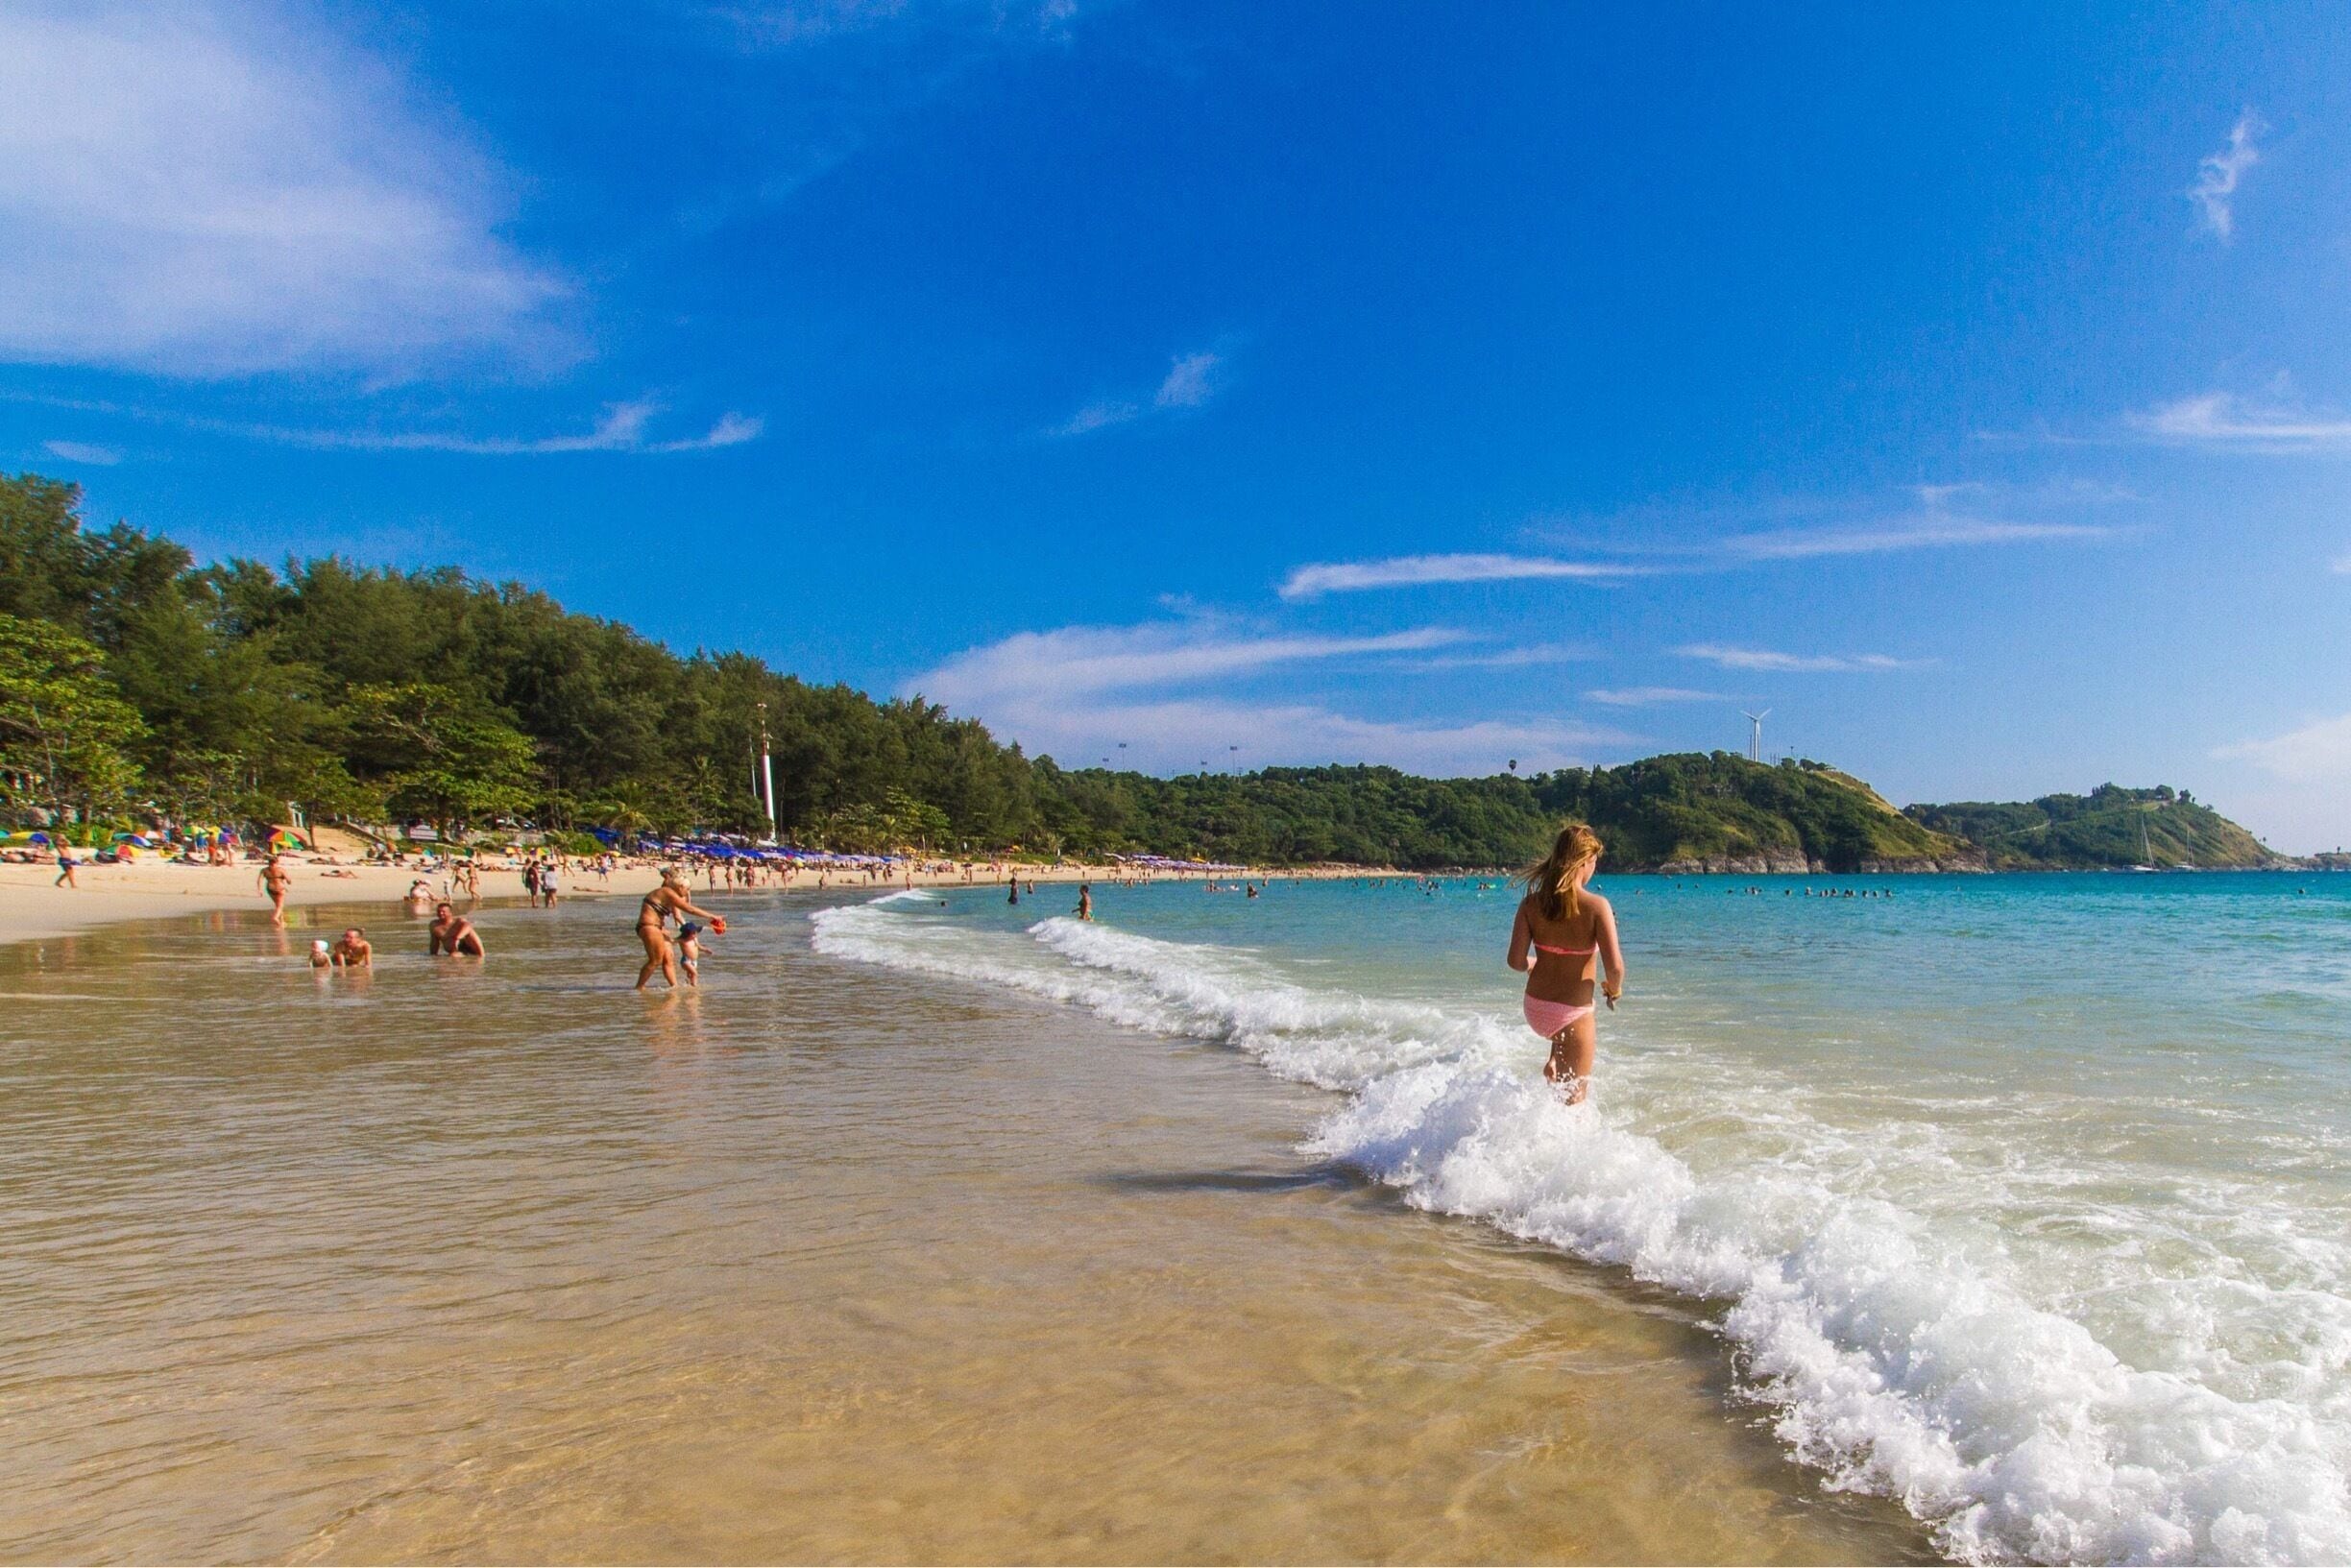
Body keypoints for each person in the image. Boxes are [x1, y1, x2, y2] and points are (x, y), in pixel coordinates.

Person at [1506, 823, 1625, 1106]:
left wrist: (1536, 963)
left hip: (1536, 1009)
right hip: (1571, 1014)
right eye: (1594, 862)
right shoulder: (1597, 906)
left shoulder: (1531, 904)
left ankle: (1554, 1061)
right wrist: (1613, 990)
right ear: (1584, 861)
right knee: (1575, 1101)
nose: (1593, 869)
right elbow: (1615, 968)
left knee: (1565, 1039)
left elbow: (1515, 962)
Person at [637, 868, 720, 990]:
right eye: (687, 889)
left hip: (658, 928)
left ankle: (674, 988)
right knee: (655, 960)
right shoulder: (667, 891)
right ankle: (639, 988)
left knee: (668, 958)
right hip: (648, 927)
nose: (688, 892)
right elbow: (689, 909)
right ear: (680, 887)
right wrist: (712, 916)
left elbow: (677, 914)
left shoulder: (671, 895)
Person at [259, 853, 291, 925]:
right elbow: (289, 880)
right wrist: (289, 881)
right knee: (280, 905)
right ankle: (275, 917)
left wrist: (260, 890)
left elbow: (259, 880)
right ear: (276, 862)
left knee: (277, 905)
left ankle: (282, 921)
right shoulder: (281, 870)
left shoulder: (264, 870)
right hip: (280, 888)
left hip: (270, 888)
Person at [676, 920, 706, 985]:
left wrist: (705, 950)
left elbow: (699, 947)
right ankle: (694, 987)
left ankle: (688, 986)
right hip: (686, 960)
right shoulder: (682, 940)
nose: (696, 934)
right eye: (694, 933)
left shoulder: (695, 939)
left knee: (690, 976)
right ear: (687, 934)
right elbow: (672, 940)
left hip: (694, 961)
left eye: (696, 933)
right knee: (695, 973)